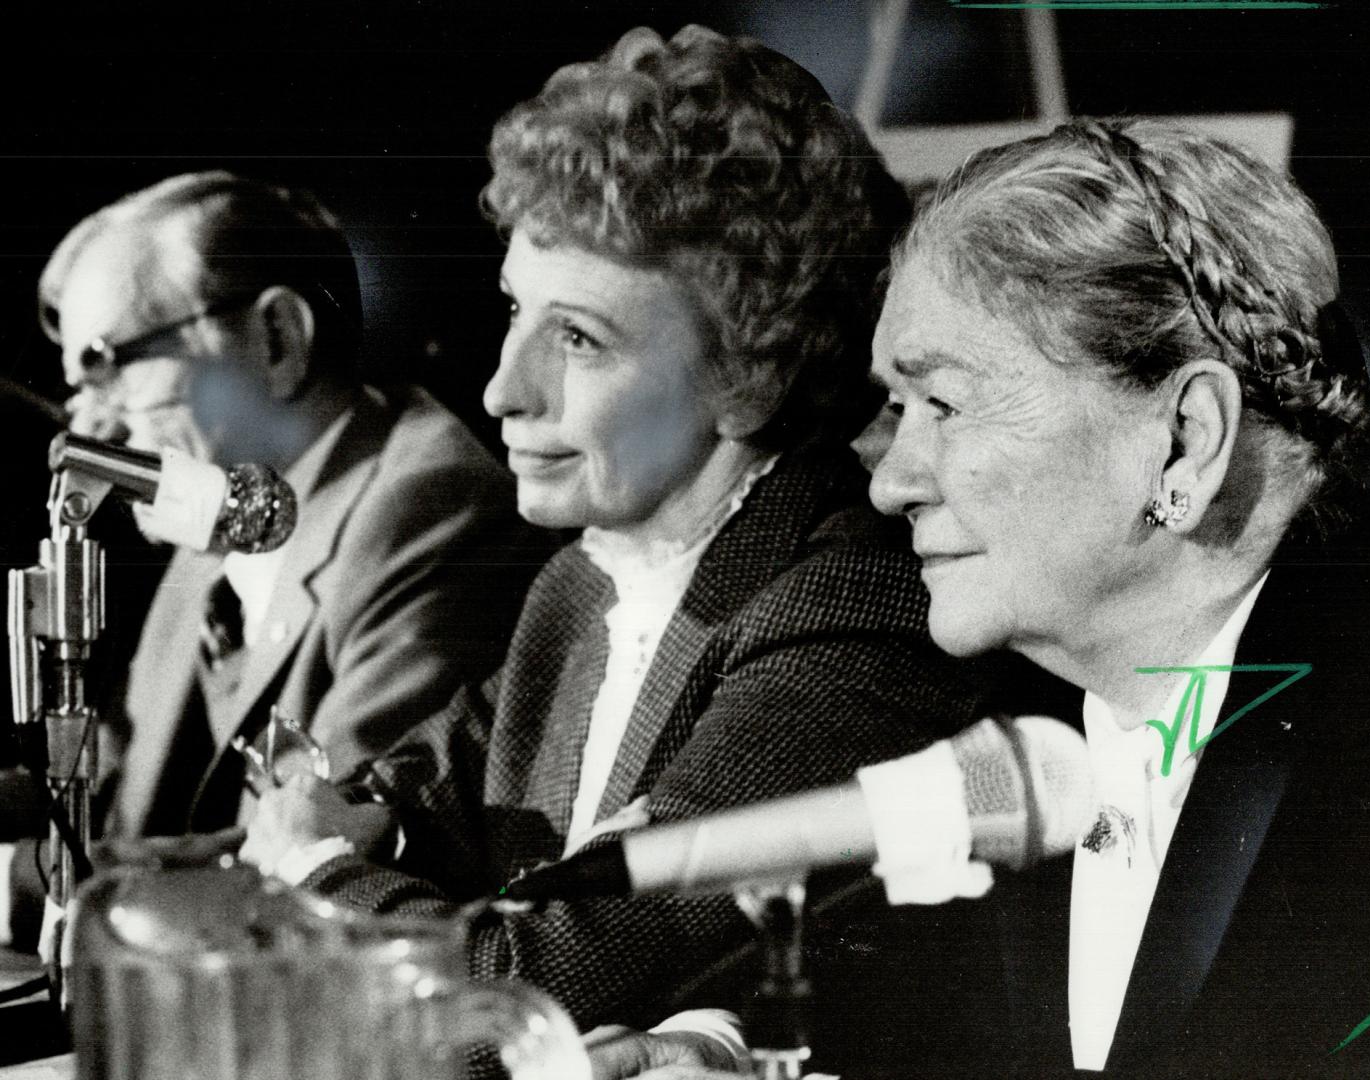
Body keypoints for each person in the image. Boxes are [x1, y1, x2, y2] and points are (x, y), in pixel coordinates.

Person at [238, 23, 1054, 1054]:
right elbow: (383, 801)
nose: (500, 390)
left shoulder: (852, 609)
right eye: (512, 313)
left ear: (746, 368)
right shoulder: (583, 587)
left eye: (577, 338)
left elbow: (526, 994)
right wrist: (347, 845)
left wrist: (319, 874)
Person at [597, 118, 1370, 1079]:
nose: (891, 483)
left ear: (1185, 440)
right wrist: (717, 1054)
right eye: (897, 411)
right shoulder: (1025, 698)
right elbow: (905, 1002)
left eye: (944, 404)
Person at [0, 172, 552, 946]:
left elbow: (311, 861)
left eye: (109, 363)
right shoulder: (220, 508)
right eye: (74, 384)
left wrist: (6, 888)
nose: (89, 425)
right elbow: (113, 794)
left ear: (277, 340)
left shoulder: (430, 513)